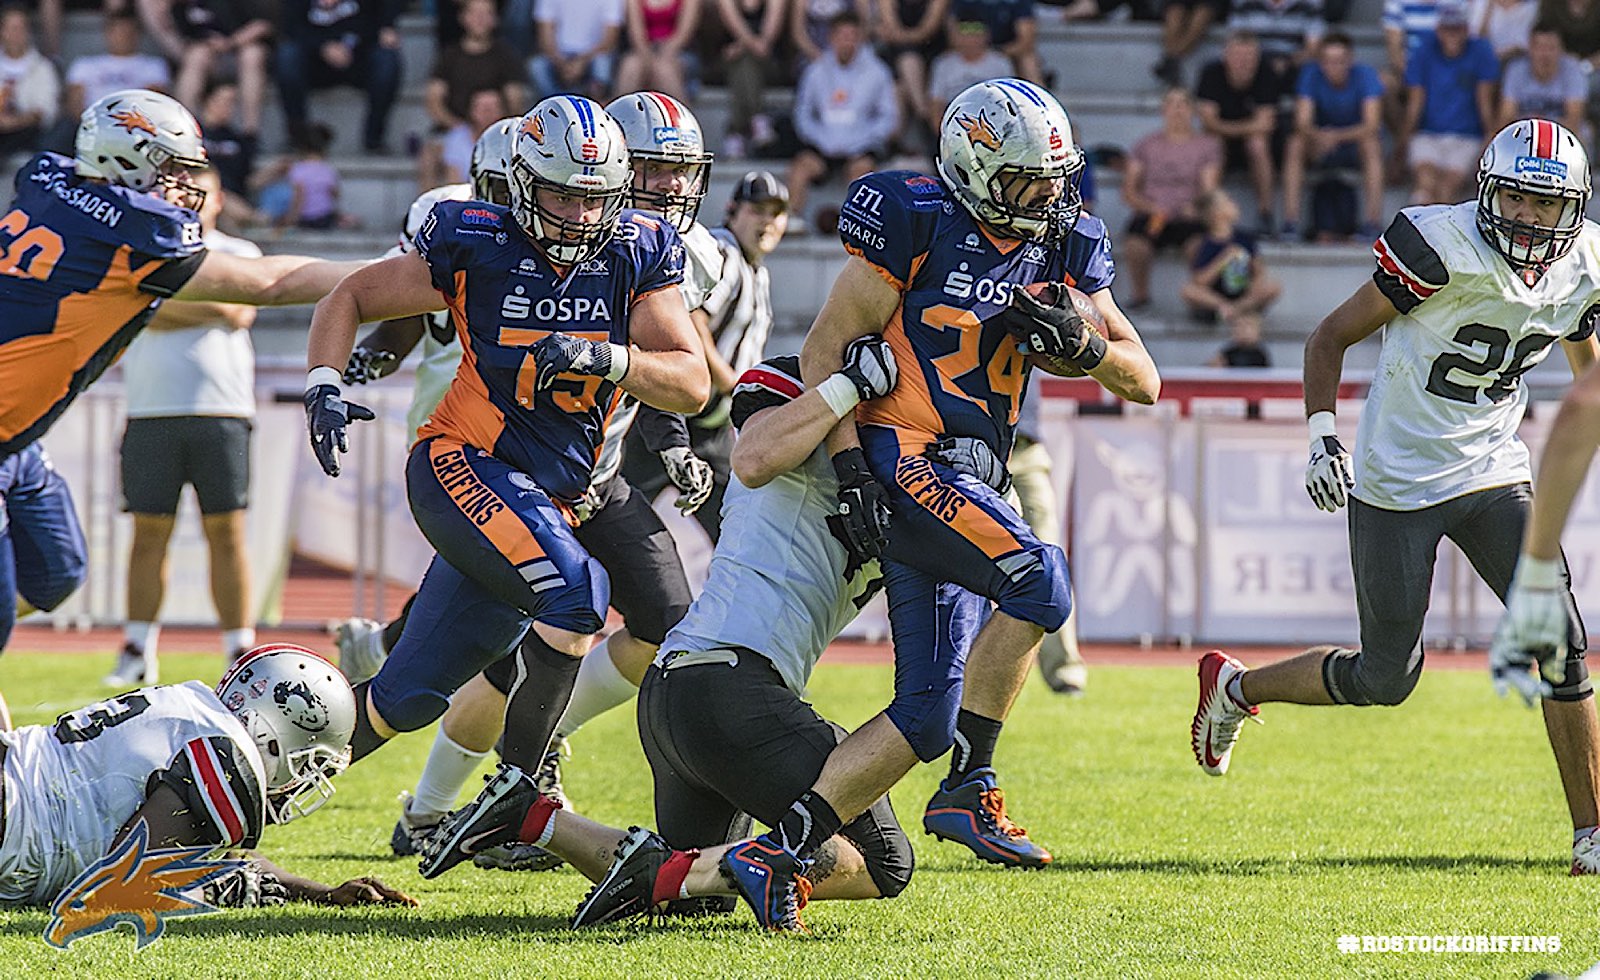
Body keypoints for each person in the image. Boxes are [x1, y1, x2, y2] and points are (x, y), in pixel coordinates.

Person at [643, 78, 1159, 930]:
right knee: (1043, 583)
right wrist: (852, 474)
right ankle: (974, 780)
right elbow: (821, 355)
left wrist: (1084, 346)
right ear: (972, 167)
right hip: (910, 459)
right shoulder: (913, 218)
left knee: (925, 714)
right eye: (1025, 180)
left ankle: (781, 850)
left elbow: (1144, 378)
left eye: (1052, 179)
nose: (1043, 198)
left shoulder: (1064, 238)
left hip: (974, 477)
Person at [1192, 118, 1600, 876]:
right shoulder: (1437, 246)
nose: (1530, 219)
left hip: (1492, 474)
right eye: (1517, 199)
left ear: (1572, 208)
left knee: (1563, 642)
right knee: (1388, 677)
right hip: (1397, 482)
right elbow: (1328, 337)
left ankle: (1592, 836)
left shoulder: (1585, 262)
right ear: (1488, 194)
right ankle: (1237, 687)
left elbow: (1583, 345)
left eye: (1547, 205)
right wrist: (1321, 437)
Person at [298, 98, 707, 839]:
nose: (580, 215)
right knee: (580, 597)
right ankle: (518, 792)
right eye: (560, 194)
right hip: (463, 461)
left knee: (405, 697)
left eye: (594, 197)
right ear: (521, 185)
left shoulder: (638, 249)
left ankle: (231, 793)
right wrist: (324, 382)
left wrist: (612, 357)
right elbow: (352, 294)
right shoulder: (476, 239)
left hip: (546, 493)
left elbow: (690, 379)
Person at [414, 349, 914, 933]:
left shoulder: (907, 470)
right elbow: (760, 404)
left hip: (680, 691)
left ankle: (533, 819)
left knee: (696, 897)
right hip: (733, 692)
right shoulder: (801, 405)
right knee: (884, 862)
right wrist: (849, 388)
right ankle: (654, 870)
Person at [0, 88, 369, 655]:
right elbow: (272, 284)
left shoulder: (49, 178)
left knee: (57, 572)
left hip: (16, 439)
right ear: (128, 160)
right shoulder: (131, 233)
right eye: (170, 169)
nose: (183, 185)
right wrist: (398, 275)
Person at [1, 644, 414, 910]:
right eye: (308, 762)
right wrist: (220, 889)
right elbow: (118, 887)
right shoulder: (227, 759)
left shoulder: (194, 707)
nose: (302, 779)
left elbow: (219, 857)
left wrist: (320, 892)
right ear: (275, 738)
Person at [106, 169, 264, 688]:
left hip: (224, 411)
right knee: (149, 532)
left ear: (220, 200)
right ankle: (136, 648)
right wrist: (201, 306)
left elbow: (237, 310)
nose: (191, 202)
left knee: (228, 531)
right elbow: (130, 310)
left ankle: (240, 649)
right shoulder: (142, 249)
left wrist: (160, 303)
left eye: (202, 192)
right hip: (150, 410)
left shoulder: (240, 252)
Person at [621, 168, 786, 543]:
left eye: (776, 213)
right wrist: (733, 384)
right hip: (679, 412)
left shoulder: (756, 270)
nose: (767, 221)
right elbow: (691, 321)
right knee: (621, 514)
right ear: (732, 211)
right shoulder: (723, 252)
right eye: (757, 210)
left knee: (735, 529)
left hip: (711, 423)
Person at [785, 11, 899, 228]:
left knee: (863, 173)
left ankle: (860, 225)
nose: (847, 42)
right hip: (823, 143)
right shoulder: (815, 71)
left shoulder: (877, 72)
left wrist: (866, 139)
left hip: (861, 145)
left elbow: (888, 116)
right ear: (831, 37)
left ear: (860, 38)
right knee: (800, 168)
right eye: (842, 36)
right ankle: (791, 220)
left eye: (853, 36)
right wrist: (818, 137)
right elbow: (803, 112)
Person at [1119, 87, 1222, 309]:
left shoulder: (1207, 146)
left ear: (1192, 110)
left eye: (1183, 104)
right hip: (1153, 214)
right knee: (1136, 244)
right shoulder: (1146, 145)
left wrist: (1196, 207)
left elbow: (1209, 188)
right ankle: (1141, 296)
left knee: (1200, 245)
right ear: (1163, 110)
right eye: (1172, 104)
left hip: (1188, 214)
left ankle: (1200, 302)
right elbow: (1129, 190)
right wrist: (1149, 207)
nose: (1178, 110)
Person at [1281, 31, 1384, 240]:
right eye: (1328, 61)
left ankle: (1373, 222)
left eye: (1339, 61)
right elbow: (1302, 122)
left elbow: (1371, 124)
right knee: (1295, 144)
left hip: (1351, 143)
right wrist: (1319, 137)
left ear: (1350, 60)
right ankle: (1290, 222)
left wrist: (1335, 136)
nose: (1333, 67)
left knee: (1371, 144)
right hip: (1319, 143)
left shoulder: (1366, 75)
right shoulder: (1310, 74)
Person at [274, 0, 403, 154]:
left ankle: (374, 139)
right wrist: (323, 46)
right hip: (314, 62)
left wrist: (350, 44)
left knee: (387, 60)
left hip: (358, 57)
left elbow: (375, 23)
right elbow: (292, 29)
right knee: (286, 56)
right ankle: (299, 136)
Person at [1404, 0, 1499, 205]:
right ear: (1439, 29)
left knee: (1447, 187)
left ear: (1466, 29)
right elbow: (1415, 103)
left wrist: (1489, 141)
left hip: (1466, 136)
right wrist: (1401, 146)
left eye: (1457, 29)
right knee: (1424, 187)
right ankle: (1420, 236)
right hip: (1428, 133)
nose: (1452, 35)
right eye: (1448, 29)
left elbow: (1485, 102)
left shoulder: (1480, 50)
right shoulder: (1424, 50)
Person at [1195, 31, 1284, 236]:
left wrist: (1226, 126)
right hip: (1222, 143)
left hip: (1257, 146)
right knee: (1212, 144)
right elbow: (1207, 123)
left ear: (1257, 59)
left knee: (1257, 143)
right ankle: (1211, 218)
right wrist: (1247, 127)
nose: (1243, 62)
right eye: (1237, 56)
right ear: (1226, 55)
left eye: (1249, 57)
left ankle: (1265, 214)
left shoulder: (1267, 74)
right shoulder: (1211, 73)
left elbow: (1267, 124)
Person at [1182, 188, 1281, 325]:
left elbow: (1258, 271)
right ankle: (1227, 308)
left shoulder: (1245, 239)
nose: (1235, 204)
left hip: (1242, 295)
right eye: (1228, 201)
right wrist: (1223, 258)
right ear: (1216, 213)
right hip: (1215, 296)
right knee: (1188, 291)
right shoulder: (1202, 243)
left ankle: (1235, 310)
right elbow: (1199, 281)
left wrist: (1255, 286)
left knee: (1273, 287)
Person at [65, 11, 171, 118]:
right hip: (92, 122)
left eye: (128, 32)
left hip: (135, 125)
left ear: (138, 34)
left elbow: (155, 104)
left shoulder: (153, 65)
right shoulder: (85, 64)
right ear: (107, 33)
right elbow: (74, 104)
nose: (123, 37)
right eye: (118, 32)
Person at [714, 0, 785, 157]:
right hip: (730, 61)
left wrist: (742, 46)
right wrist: (745, 45)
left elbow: (766, 41)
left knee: (744, 60)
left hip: (767, 62)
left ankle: (736, 132)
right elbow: (737, 28)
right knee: (742, 62)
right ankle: (757, 118)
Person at [925, 18, 1013, 136]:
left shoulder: (1000, 62)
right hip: (955, 119)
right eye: (965, 35)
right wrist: (944, 135)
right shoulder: (943, 63)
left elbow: (1009, 102)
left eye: (976, 35)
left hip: (991, 118)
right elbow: (936, 103)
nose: (970, 40)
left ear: (987, 35)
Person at [1497, 24, 1585, 133]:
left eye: (1551, 48)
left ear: (1561, 49)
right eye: (1540, 47)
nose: (1545, 54)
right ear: (1529, 48)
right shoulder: (1516, 69)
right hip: (1524, 133)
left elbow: (1574, 119)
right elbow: (1506, 117)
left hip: (1561, 134)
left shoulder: (1572, 69)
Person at [529, 0, 624, 99]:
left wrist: (581, 62)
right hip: (559, 56)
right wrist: (561, 63)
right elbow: (545, 37)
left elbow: (609, 40)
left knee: (602, 65)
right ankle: (553, 106)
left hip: (593, 55)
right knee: (536, 66)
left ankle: (597, 107)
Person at [0, 5, 59, 159]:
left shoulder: (43, 67)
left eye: (21, 28)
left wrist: (13, 122)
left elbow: (45, 111)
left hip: (27, 131)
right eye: (12, 28)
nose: (16, 34)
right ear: (2, 31)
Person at [615, 0, 701, 102]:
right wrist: (648, 59)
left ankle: (681, 115)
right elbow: (636, 34)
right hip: (643, 49)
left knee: (664, 70)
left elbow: (684, 33)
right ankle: (618, 114)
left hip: (678, 51)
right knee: (631, 67)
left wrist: (663, 56)